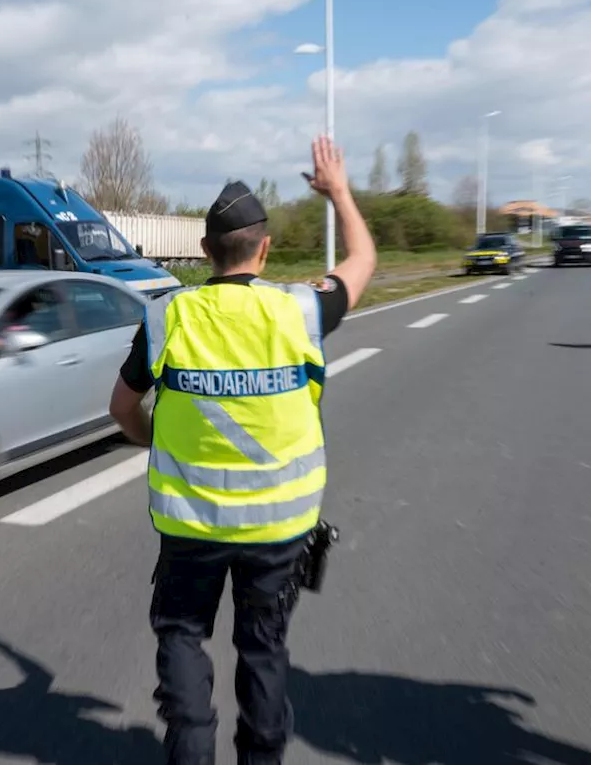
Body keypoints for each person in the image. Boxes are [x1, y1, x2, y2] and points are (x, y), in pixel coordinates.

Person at [107, 136, 377, 765]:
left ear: (204, 253)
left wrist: (152, 441)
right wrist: (337, 191)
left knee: (180, 636)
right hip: (279, 528)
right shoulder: (301, 311)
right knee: (263, 651)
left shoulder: (166, 318)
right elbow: (364, 259)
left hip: (190, 523)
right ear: (266, 248)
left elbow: (121, 409)